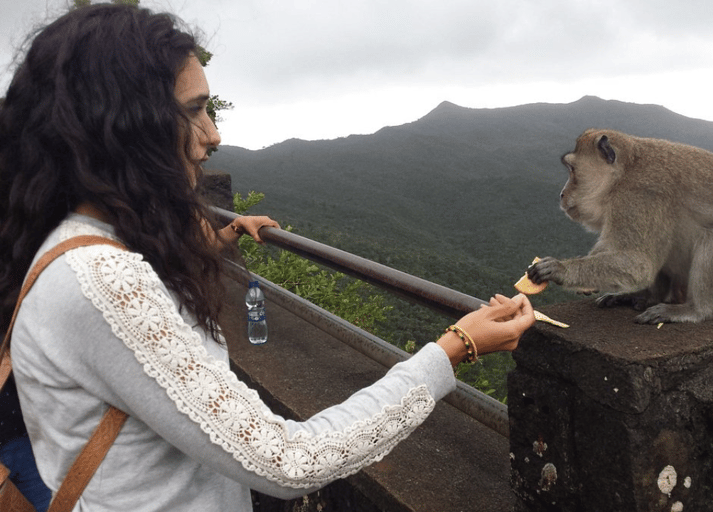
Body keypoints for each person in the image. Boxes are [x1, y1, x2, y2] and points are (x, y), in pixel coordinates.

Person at [0, 4, 536, 511]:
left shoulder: (77, 238)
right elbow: (289, 460)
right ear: (121, 125)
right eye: (193, 111)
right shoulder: (100, 278)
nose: (213, 135)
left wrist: (222, 235)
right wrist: (455, 347)